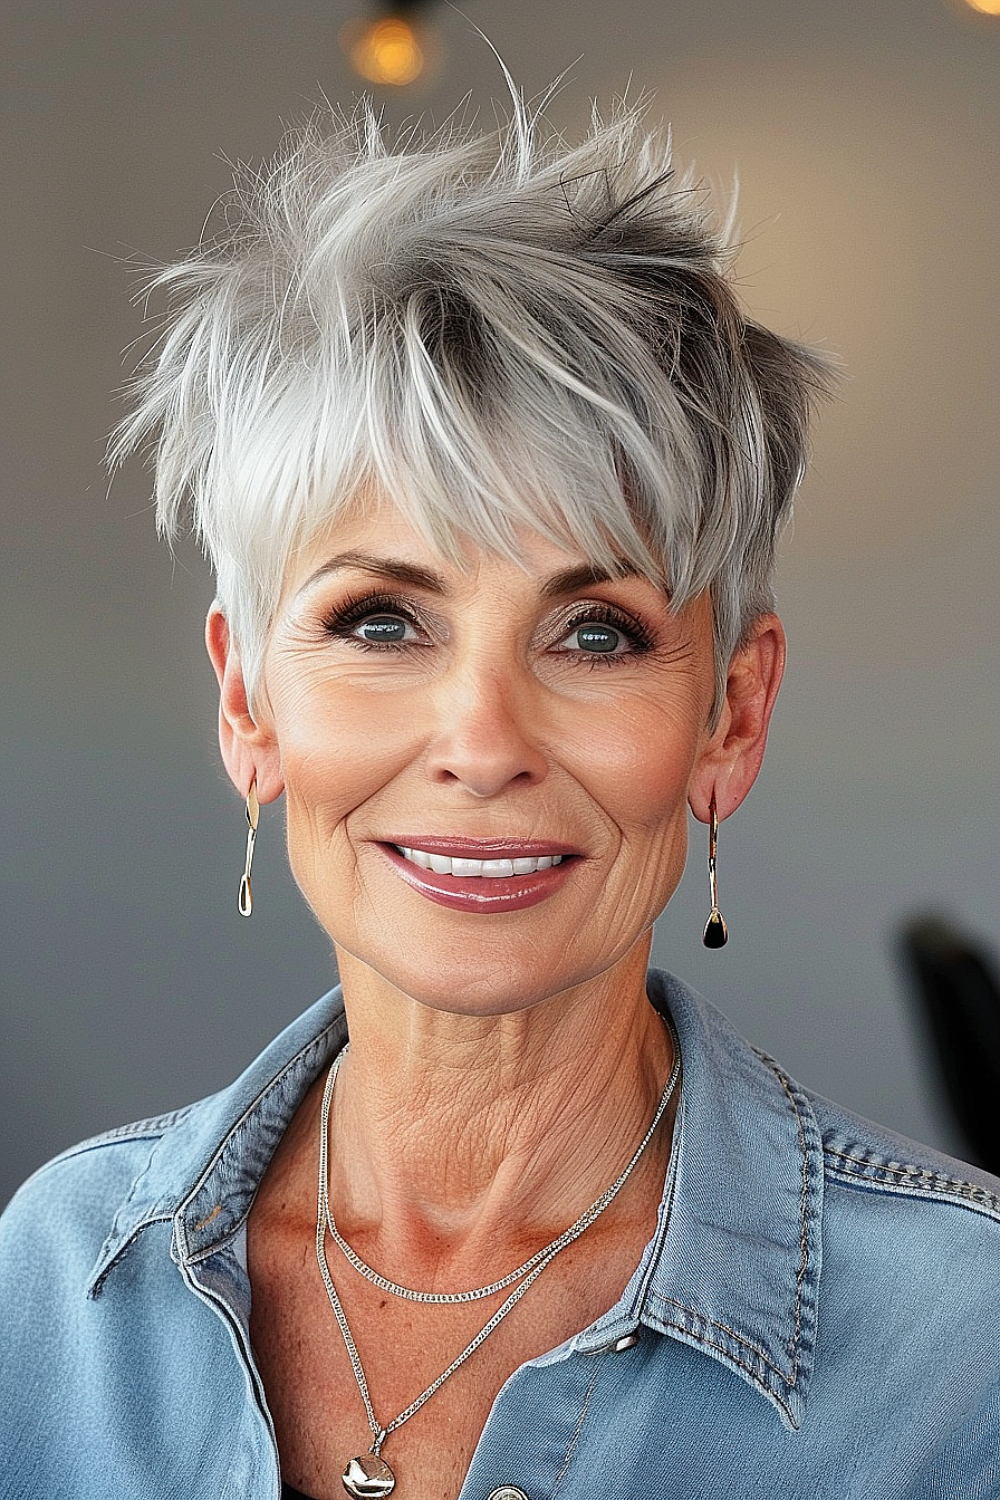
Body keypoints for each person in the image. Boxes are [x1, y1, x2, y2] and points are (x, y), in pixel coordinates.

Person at [2, 95, 998, 1500]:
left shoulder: (972, 1346)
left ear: (730, 714)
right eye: (380, 622)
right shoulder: (52, 1282)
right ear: (247, 705)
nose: (482, 742)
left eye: (595, 633)